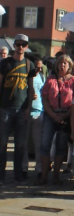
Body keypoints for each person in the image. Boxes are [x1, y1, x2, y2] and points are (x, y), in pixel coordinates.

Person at [39, 54, 74, 185]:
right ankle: (44, 176)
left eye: (65, 63)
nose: (63, 65)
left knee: (61, 147)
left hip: (66, 115)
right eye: (60, 63)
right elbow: (44, 98)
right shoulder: (50, 79)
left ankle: (56, 176)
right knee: (45, 145)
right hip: (51, 114)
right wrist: (52, 114)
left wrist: (67, 114)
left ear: (69, 66)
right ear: (56, 65)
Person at [0, 34, 35, 183]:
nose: (20, 47)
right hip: (5, 108)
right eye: (18, 44)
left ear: (26, 47)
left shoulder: (29, 65)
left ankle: (18, 174)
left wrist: (29, 108)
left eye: (23, 44)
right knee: (2, 143)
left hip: (22, 109)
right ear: (14, 45)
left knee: (20, 145)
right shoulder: (5, 63)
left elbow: (31, 88)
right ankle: (1, 175)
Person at [26, 55, 46, 180]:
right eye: (36, 67)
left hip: (39, 111)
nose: (38, 70)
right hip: (26, 111)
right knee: (23, 143)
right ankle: (23, 168)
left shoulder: (42, 77)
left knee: (39, 144)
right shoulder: (27, 77)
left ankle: (39, 169)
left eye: (40, 67)